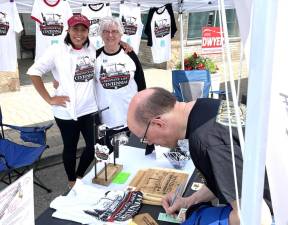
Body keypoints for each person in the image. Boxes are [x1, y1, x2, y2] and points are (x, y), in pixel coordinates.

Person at [127, 87, 272, 225]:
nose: (149, 143)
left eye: (145, 138)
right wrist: (189, 201)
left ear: (158, 123)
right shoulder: (204, 107)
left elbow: (257, 217)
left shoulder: (205, 140)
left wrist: (210, 220)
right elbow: (228, 178)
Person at [27, 14, 100, 188]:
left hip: (89, 109)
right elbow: (34, 71)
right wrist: (49, 98)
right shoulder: (56, 50)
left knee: (94, 146)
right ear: (68, 30)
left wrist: (124, 45)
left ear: (88, 32)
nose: (79, 34)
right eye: (76, 29)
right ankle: (71, 180)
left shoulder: (92, 50)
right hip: (66, 111)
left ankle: (80, 174)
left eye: (83, 30)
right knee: (70, 147)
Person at [95, 16, 153, 153]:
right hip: (108, 120)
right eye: (106, 31)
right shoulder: (95, 57)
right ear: (101, 34)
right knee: (111, 161)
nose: (110, 35)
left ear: (120, 34)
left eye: (114, 31)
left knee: (135, 155)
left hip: (132, 117)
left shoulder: (130, 54)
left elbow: (141, 83)